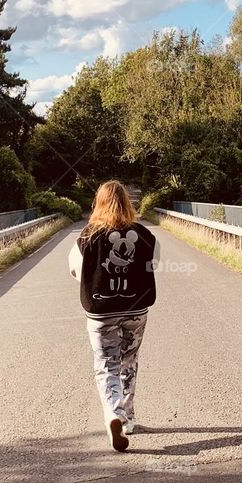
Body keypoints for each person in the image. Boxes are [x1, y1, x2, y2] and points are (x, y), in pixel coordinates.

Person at [69, 180, 159, 452]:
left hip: (101, 312)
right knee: (129, 360)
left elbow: (75, 271)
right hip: (136, 310)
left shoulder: (86, 237)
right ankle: (128, 418)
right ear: (127, 203)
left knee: (106, 363)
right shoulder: (144, 235)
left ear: (99, 203)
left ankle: (114, 413)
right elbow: (152, 265)